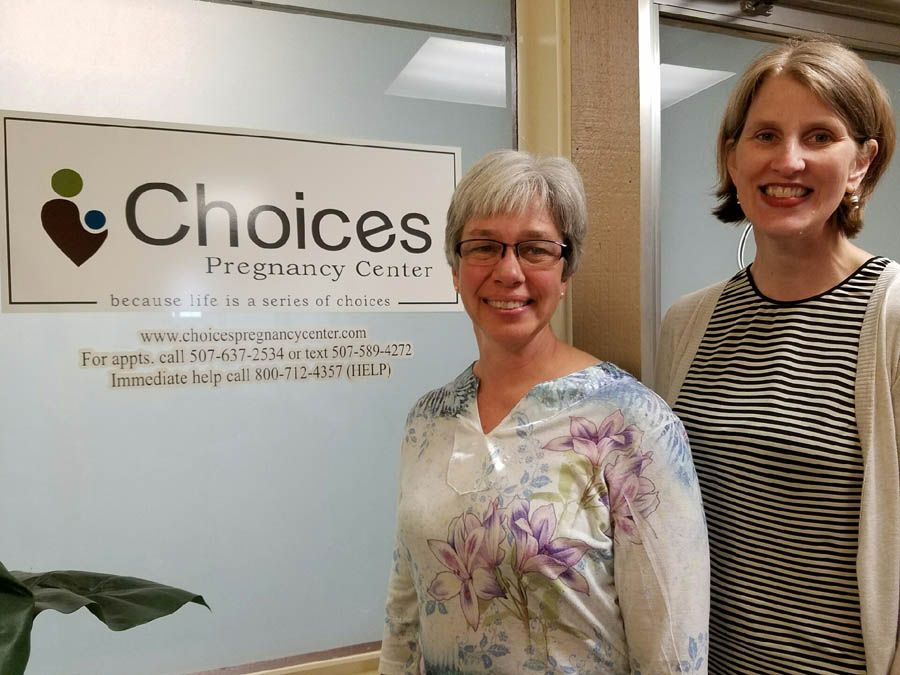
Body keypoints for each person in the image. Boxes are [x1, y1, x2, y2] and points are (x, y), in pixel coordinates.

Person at [380, 150, 709, 674]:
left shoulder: (630, 424)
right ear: (455, 268)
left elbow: (673, 651)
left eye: (534, 249)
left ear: (565, 271)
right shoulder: (429, 421)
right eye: (484, 247)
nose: (509, 272)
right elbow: (405, 607)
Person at [655, 39, 899, 673]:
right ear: (733, 159)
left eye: (820, 136)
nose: (788, 160)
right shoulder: (688, 325)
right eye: (765, 135)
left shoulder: (893, 320)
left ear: (862, 163)